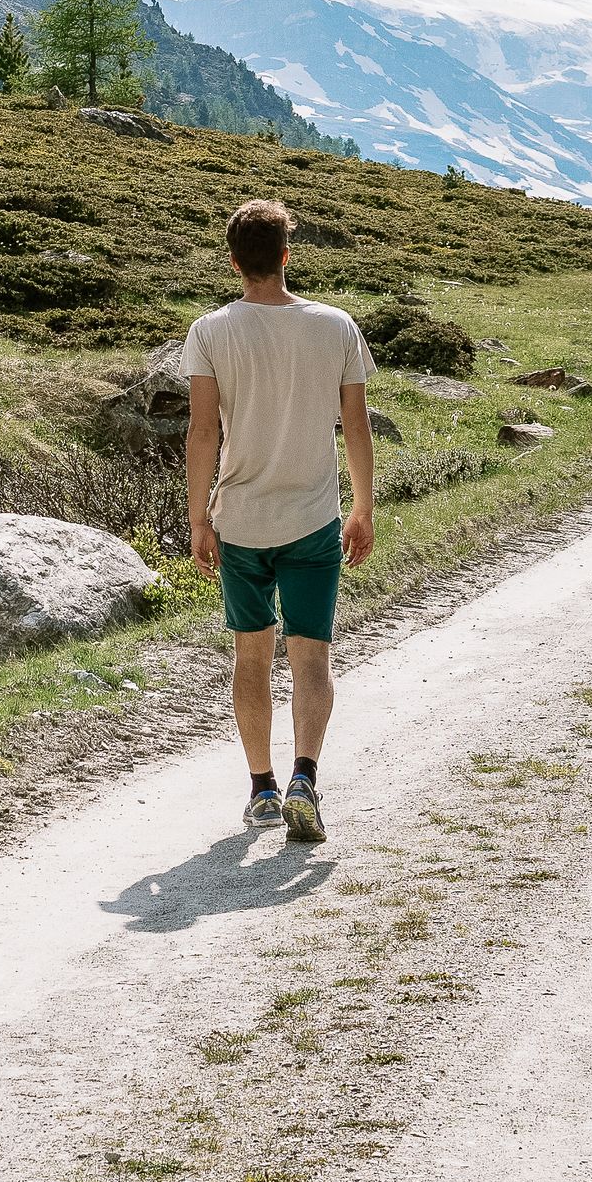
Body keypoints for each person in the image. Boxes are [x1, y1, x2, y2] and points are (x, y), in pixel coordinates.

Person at [180, 198, 375, 843]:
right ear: (287, 256)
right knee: (311, 655)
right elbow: (356, 426)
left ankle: (261, 789)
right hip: (314, 514)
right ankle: (304, 780)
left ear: (235, 261)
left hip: (240, 519)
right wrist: (363, 506)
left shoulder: (210, 333)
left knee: (252, 654)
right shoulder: (336, 327)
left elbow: (203, 431)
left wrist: (199, 517)